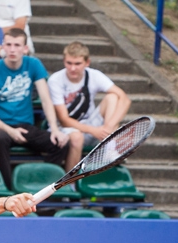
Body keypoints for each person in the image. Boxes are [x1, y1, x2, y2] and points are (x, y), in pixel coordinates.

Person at [0, 28, 69, 188]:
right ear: (3, 47)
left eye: (17, 45)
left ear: (25, 48)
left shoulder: (33, 64)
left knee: (60, 143)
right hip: (1, 126)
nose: (12, 49)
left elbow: (45, 99)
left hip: (26, 126)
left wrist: (55, 129)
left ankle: (42, 187)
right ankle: (6, 191)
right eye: (8, 44)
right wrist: (9, 130)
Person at [47, 41, 131, 170]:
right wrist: (94, 131)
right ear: (64, 62)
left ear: (87, 63)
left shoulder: (94, 75)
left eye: (77, 64)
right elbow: (64, 120)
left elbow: (125, 99)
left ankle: (109, 142)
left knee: (112, 97)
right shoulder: (56, 80)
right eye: (69, 63)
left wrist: (107, 130)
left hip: (91, 123)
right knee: (77, 137)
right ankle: (71, 183)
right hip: (64, 129)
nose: (73, 68)